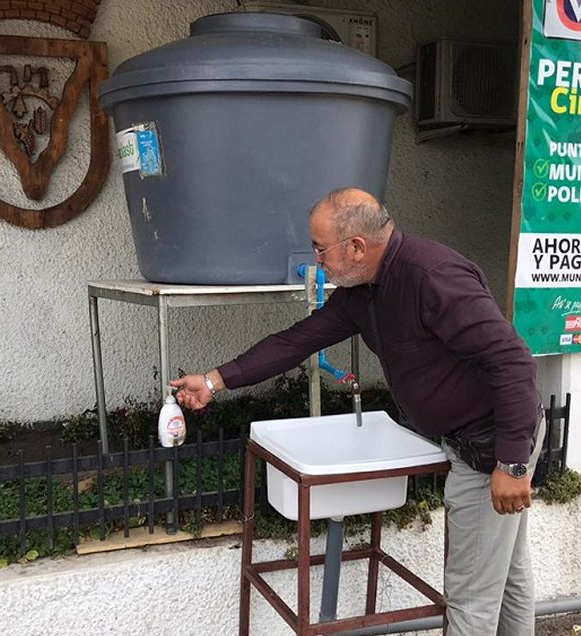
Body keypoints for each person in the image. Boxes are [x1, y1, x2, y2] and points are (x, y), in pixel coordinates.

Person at [170, 187, 545, 634]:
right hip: (481, 439)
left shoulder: (432, 277)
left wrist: (511, 462)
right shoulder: (361, 293)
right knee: (507, 576)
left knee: (470, 598)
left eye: (319, 248)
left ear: (356, 247)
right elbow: (296, 341)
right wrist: (214, 380)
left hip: (490, 443)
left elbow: (512, 360)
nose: (316, 260)